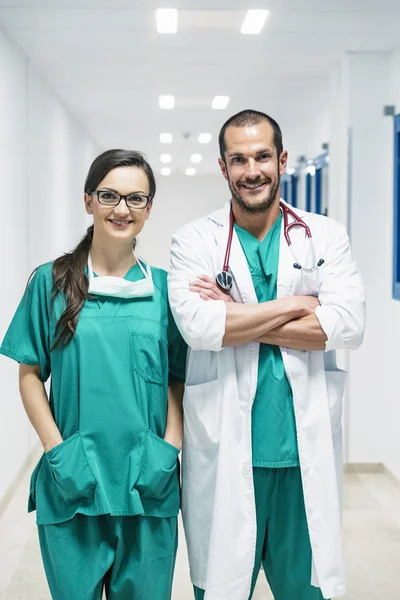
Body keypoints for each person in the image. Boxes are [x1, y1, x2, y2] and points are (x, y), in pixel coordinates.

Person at [168, 110, 366, 600]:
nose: (251, 170)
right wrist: (299, 305)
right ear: (223, 167)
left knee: (306, 591)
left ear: (280, 160)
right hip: (227, 447)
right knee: (222, 588)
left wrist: (240, 316)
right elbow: (200, 328)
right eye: (238, 159)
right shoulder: (194, 240)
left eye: (261, 156)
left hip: (303, 455)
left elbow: (345, 325)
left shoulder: (325, 235)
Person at [0, 149, 187, 600]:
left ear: (148, 209)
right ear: (88, 201)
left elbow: (176, 378)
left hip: (148, 481)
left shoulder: (165, 291)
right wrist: (56, 451)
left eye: (135, 199)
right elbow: (30, 374)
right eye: (109, 195)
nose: (122, 209)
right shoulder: (51, 282)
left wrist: (170, 451)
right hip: (74, 481)